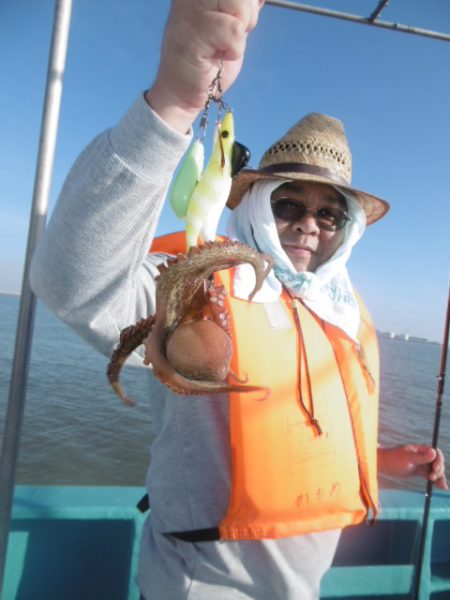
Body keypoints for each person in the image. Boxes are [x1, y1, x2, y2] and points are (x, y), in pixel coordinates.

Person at [30, 1, 447, 598]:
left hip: (304, 583)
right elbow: (74, 280)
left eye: (330, 213)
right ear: (255, 205)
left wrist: (380, 462)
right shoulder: (203, 280)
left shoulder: (342, 310)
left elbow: (298, 427)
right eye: (289, 205)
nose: (310, 225)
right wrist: (175, 101)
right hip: (205, 581)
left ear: (349, 227)